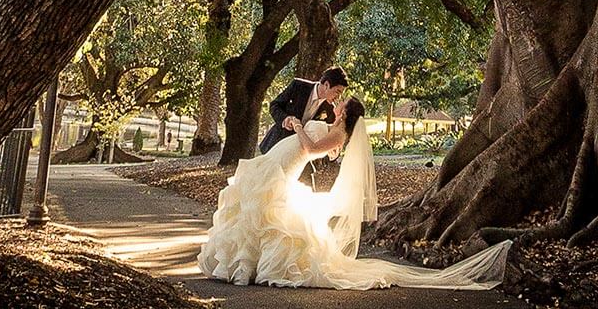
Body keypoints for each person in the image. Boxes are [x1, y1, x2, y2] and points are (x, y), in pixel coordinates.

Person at [197, 95, 510, 289]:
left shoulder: (336, 137)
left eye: (341, 105)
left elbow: (309, 148)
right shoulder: (331, 126)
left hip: (280, 173)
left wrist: (298, 127)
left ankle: (247, 270)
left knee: (264, 219)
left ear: (346, 116)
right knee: (254, 216)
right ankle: (241, 267)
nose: (336, 104)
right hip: (273, 167)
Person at [258, 66, 346, 156]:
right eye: (337, 92)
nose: (338, 97)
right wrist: (285, 118)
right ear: (326, 85)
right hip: (275, 145)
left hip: (298, 155)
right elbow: (274, 105)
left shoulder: (331, 110)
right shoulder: (298, 86)